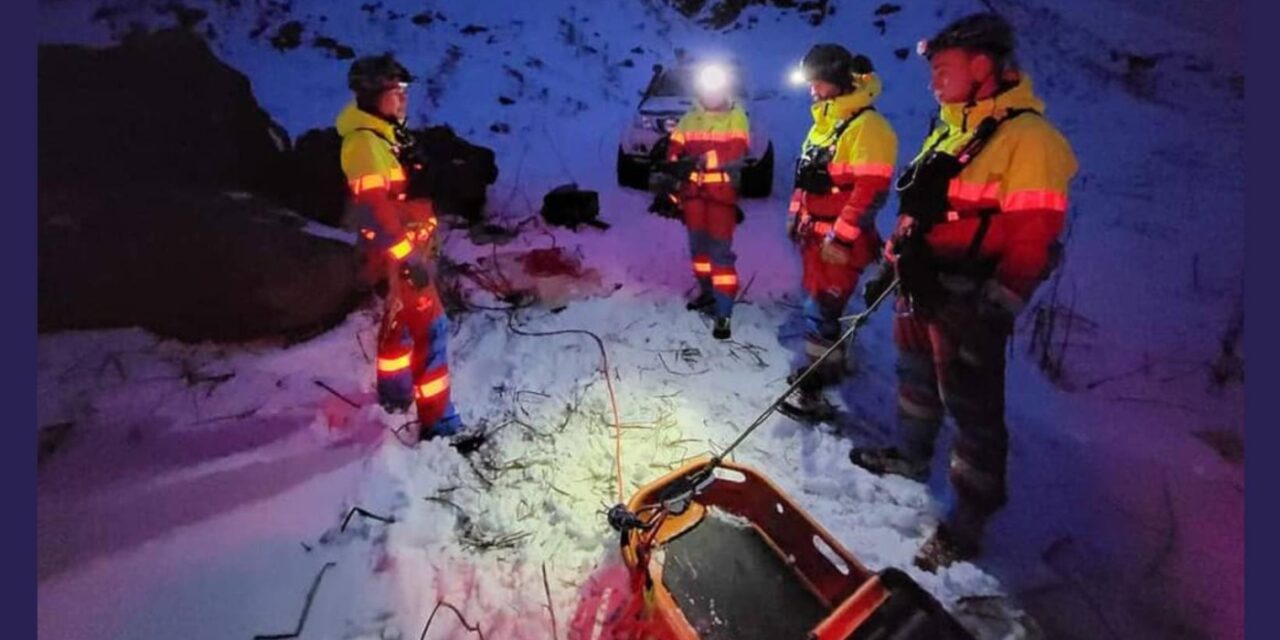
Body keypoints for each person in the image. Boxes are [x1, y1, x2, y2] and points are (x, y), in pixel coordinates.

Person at [848, 13, 1078, 570]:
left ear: (982, 65)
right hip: (921, 285)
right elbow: (917, 212)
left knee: (972, 410)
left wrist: (996, 311)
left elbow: (1035, 242)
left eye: (944, 68)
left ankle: (969, 520)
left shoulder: (1030, 141)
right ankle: (910, 454)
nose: (934, 80)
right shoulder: (953, 129)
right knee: (914, 379)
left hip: (968, 300)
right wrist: (890, 263)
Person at [337, 53, 462, 440]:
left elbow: (400, 199)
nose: (404, 98)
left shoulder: (386, 135)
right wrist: (408, 258)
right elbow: (374, 212)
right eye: (397, 90)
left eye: (405, 90)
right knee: (433, 328)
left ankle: (394, 393)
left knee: (400, 323)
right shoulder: (365, 144)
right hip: (400, 256)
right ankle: (440, 424)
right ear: (374, 93)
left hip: (408, 251)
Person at [779, 45, 897, 422]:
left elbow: (870, 193)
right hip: (816, 239)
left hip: (839, 244)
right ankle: (833, 365)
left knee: (821, 309)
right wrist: (795, 215)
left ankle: (814, 387)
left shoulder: (868, 128)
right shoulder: (824, 126)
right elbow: (806, 180)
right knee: (819, 304)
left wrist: (841, 238)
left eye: (818, 83)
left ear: (837, 82)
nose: (812, 91)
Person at [663, 63, 751, 340]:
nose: (711, 95)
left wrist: (702, 160)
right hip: (693, 198)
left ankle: (723, 312)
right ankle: (706, 293)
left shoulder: (736, 117)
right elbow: (674, 146)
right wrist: (675, 163)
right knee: (698, 252)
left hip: (720, 198)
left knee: (720, 256)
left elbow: (736, 150)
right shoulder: (690, 118)